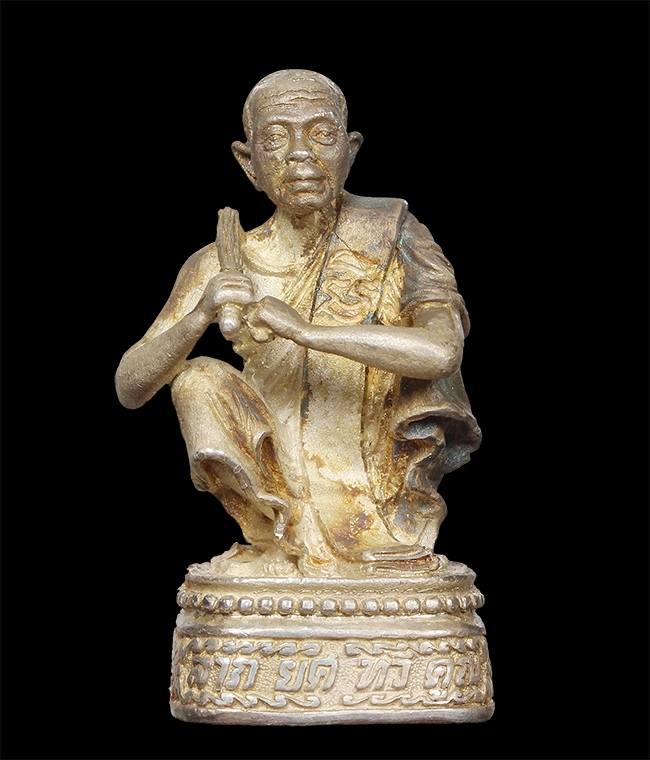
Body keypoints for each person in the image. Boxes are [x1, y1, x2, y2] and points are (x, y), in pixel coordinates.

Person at [115, 69, 481, 576]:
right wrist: (199, 316)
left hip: (370, 471)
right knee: (196, 378)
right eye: (276, 139)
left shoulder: (392, 232)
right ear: (248, 162)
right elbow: (130, 386)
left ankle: (356, 534)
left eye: (322, 134)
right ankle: (275, 535)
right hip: (271, 453)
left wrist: (307, 333)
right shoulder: (219, 261)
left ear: (350, 150)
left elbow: (440, 351)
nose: (301, 154)